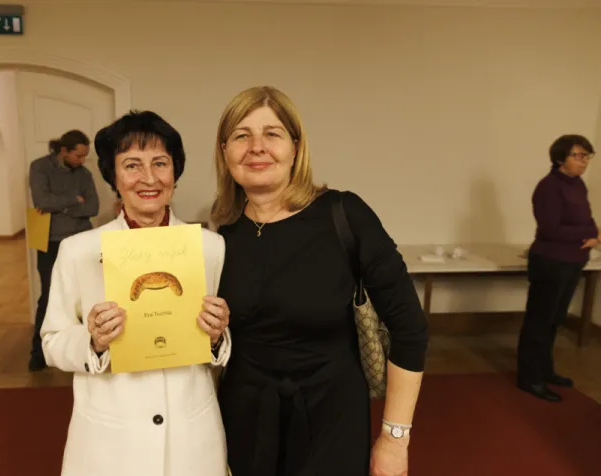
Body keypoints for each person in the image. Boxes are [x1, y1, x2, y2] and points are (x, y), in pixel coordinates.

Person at [210, 86, 429, 476]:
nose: (257, 147)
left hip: (331, 418)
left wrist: (395, 439)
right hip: (245, 420)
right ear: (225, 151)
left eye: (272, 134)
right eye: (241, 135)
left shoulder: (344, 215)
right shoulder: (219, 233)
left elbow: (410, 327)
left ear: (295, 147)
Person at [39, 110, 233, 476]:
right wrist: (93, 341)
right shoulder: (79, 251)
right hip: (111, 440)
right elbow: (52, 341)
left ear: (175, 172)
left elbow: (224, 343)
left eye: (160, 163)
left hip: (191, 435)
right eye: (132, 165)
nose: (149, 178)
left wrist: (217, 335)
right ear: (114, 177)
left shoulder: (211, 248)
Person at [517, 134, 597, 402]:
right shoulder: (549, 187)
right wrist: (589, 234)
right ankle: (529, 378)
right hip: (551, 262)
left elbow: (586, 220)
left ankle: (545, 370)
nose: (584, 161)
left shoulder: (578, 184)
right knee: (539, 321)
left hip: (573, 261)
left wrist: (593, 234)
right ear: (560, 158)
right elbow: (550, 229)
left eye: (587, 155)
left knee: (554, 320)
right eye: (577, 155)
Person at [28, 130, 100, 371]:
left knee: (89, 295)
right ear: (63, 151)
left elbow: (93, 207)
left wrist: (61, 207)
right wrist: (74, 200)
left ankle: (85, 351)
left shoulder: (84, 174)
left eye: (85, 156)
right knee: (49, 296)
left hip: (82, 240)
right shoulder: (39, 168)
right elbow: (42, 202)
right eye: (78, 156)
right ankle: (38, 354)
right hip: (51, 242)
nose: (82, 160)